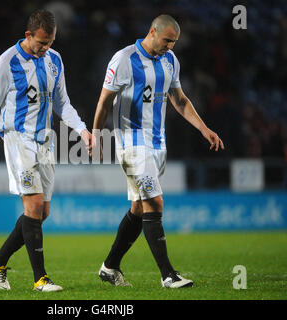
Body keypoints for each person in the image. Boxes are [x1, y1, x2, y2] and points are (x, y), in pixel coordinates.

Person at [0, 9, 92, 292]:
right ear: (28, 35)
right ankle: (40, 279)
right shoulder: (6, 63)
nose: (46, 48)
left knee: (41, 213)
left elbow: (62, 102)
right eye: (41, 42)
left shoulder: (54, 60)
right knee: (32, 206)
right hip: (19, 140)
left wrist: (81, 129)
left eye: (50, 42)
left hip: (46, 141)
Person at [91, 14, 224, 288]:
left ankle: (109, 266)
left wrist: (203, 128)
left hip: (157, 142)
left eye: (174, 42)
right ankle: (168, 275)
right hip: (132, 143)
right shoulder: (124, 59)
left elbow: (179, 99)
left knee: (139, 207)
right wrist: (97, 134)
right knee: (155, 202)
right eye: (167, 40)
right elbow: (105, 101)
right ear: (153, 31)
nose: (170, 46)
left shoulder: (170, 60)